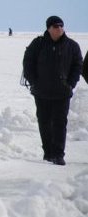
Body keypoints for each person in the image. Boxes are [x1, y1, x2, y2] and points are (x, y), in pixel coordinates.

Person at [22, 15, 83, 165]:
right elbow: (27, 63)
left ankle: (58, 154)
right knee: (44, 122)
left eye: (61, 26)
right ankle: (48, 153)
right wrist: (34, 82)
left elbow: (78, 65)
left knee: (60, 123)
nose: (59, 29)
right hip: (41, 92)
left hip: (62, 93)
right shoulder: (38, 44)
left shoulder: (72, 46)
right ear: (48, 28)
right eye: (56, 26)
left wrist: (70, 84)